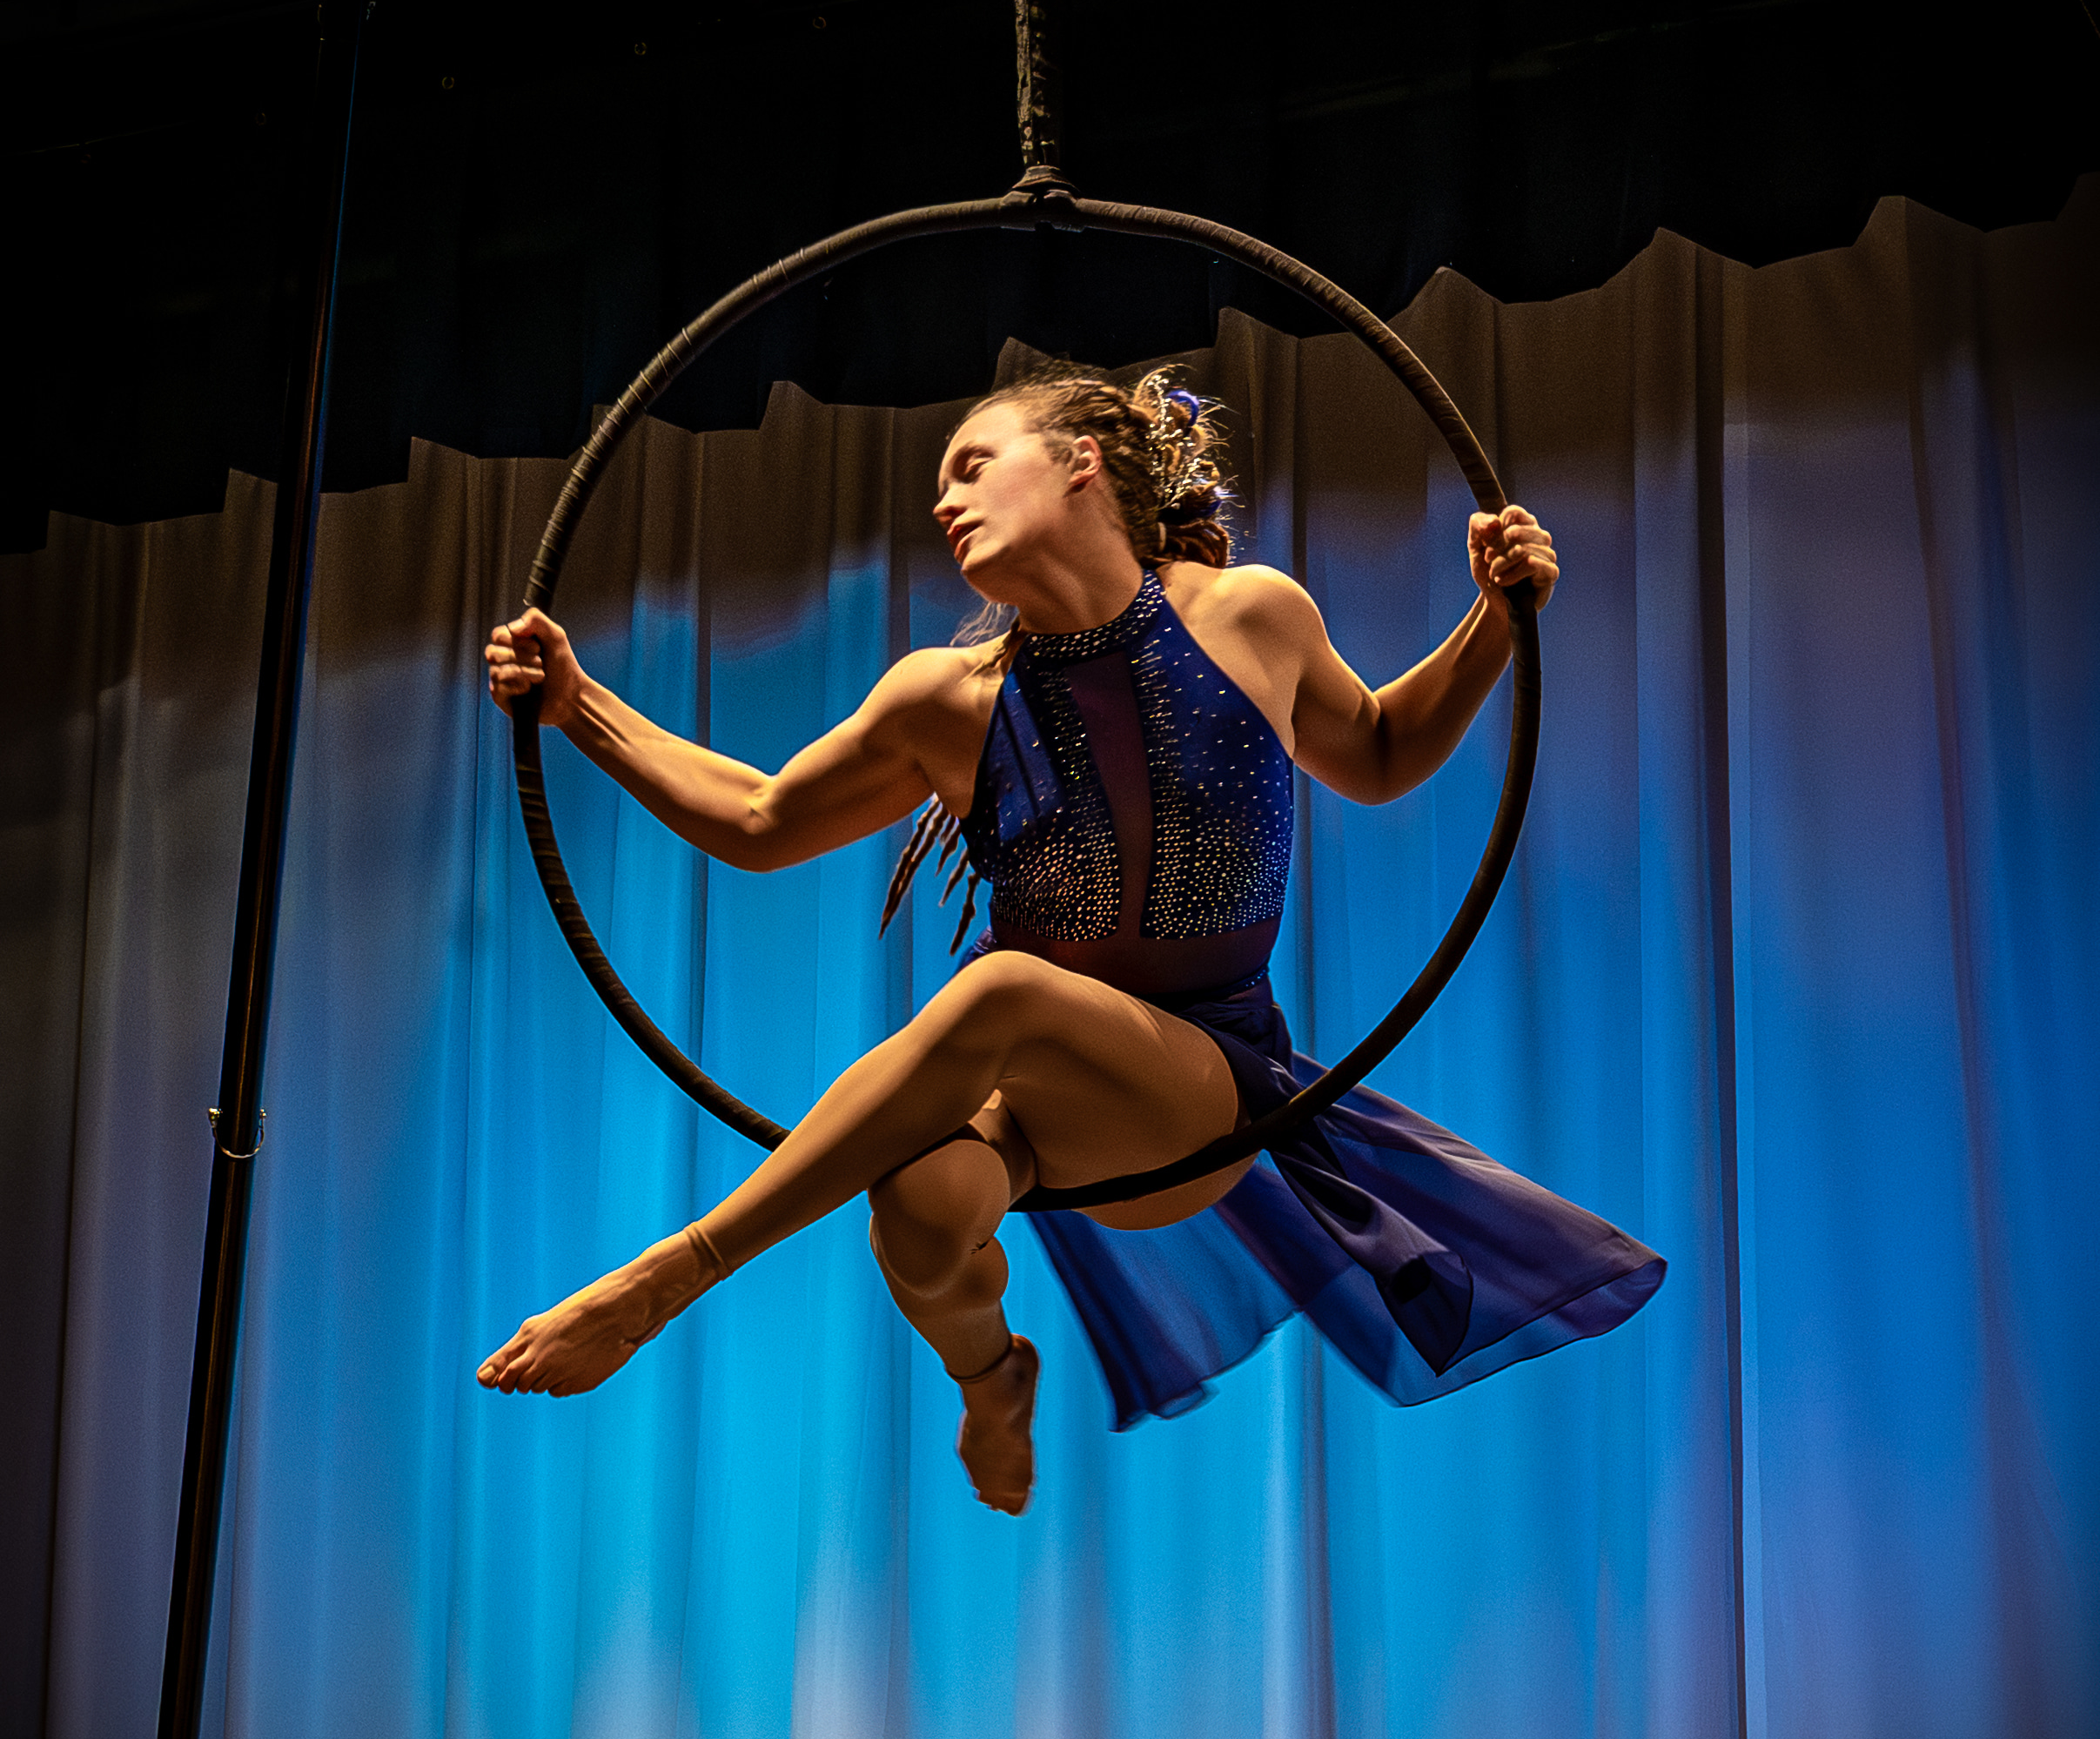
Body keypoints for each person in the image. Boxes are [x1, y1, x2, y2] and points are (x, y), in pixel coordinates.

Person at [479, 366, 1662, 1510]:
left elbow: (1384, 753)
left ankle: (665, 1278)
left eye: (971, 466)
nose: (943, 501)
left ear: (1081, 463)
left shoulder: (1248, 615)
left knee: (1004, 992)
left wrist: (1497, 619)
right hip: (1031, 1112)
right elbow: (757, 819)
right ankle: (991, 1376)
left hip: (1201, 1093)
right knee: (919, 1209)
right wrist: (577, 704)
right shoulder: (945, 698)